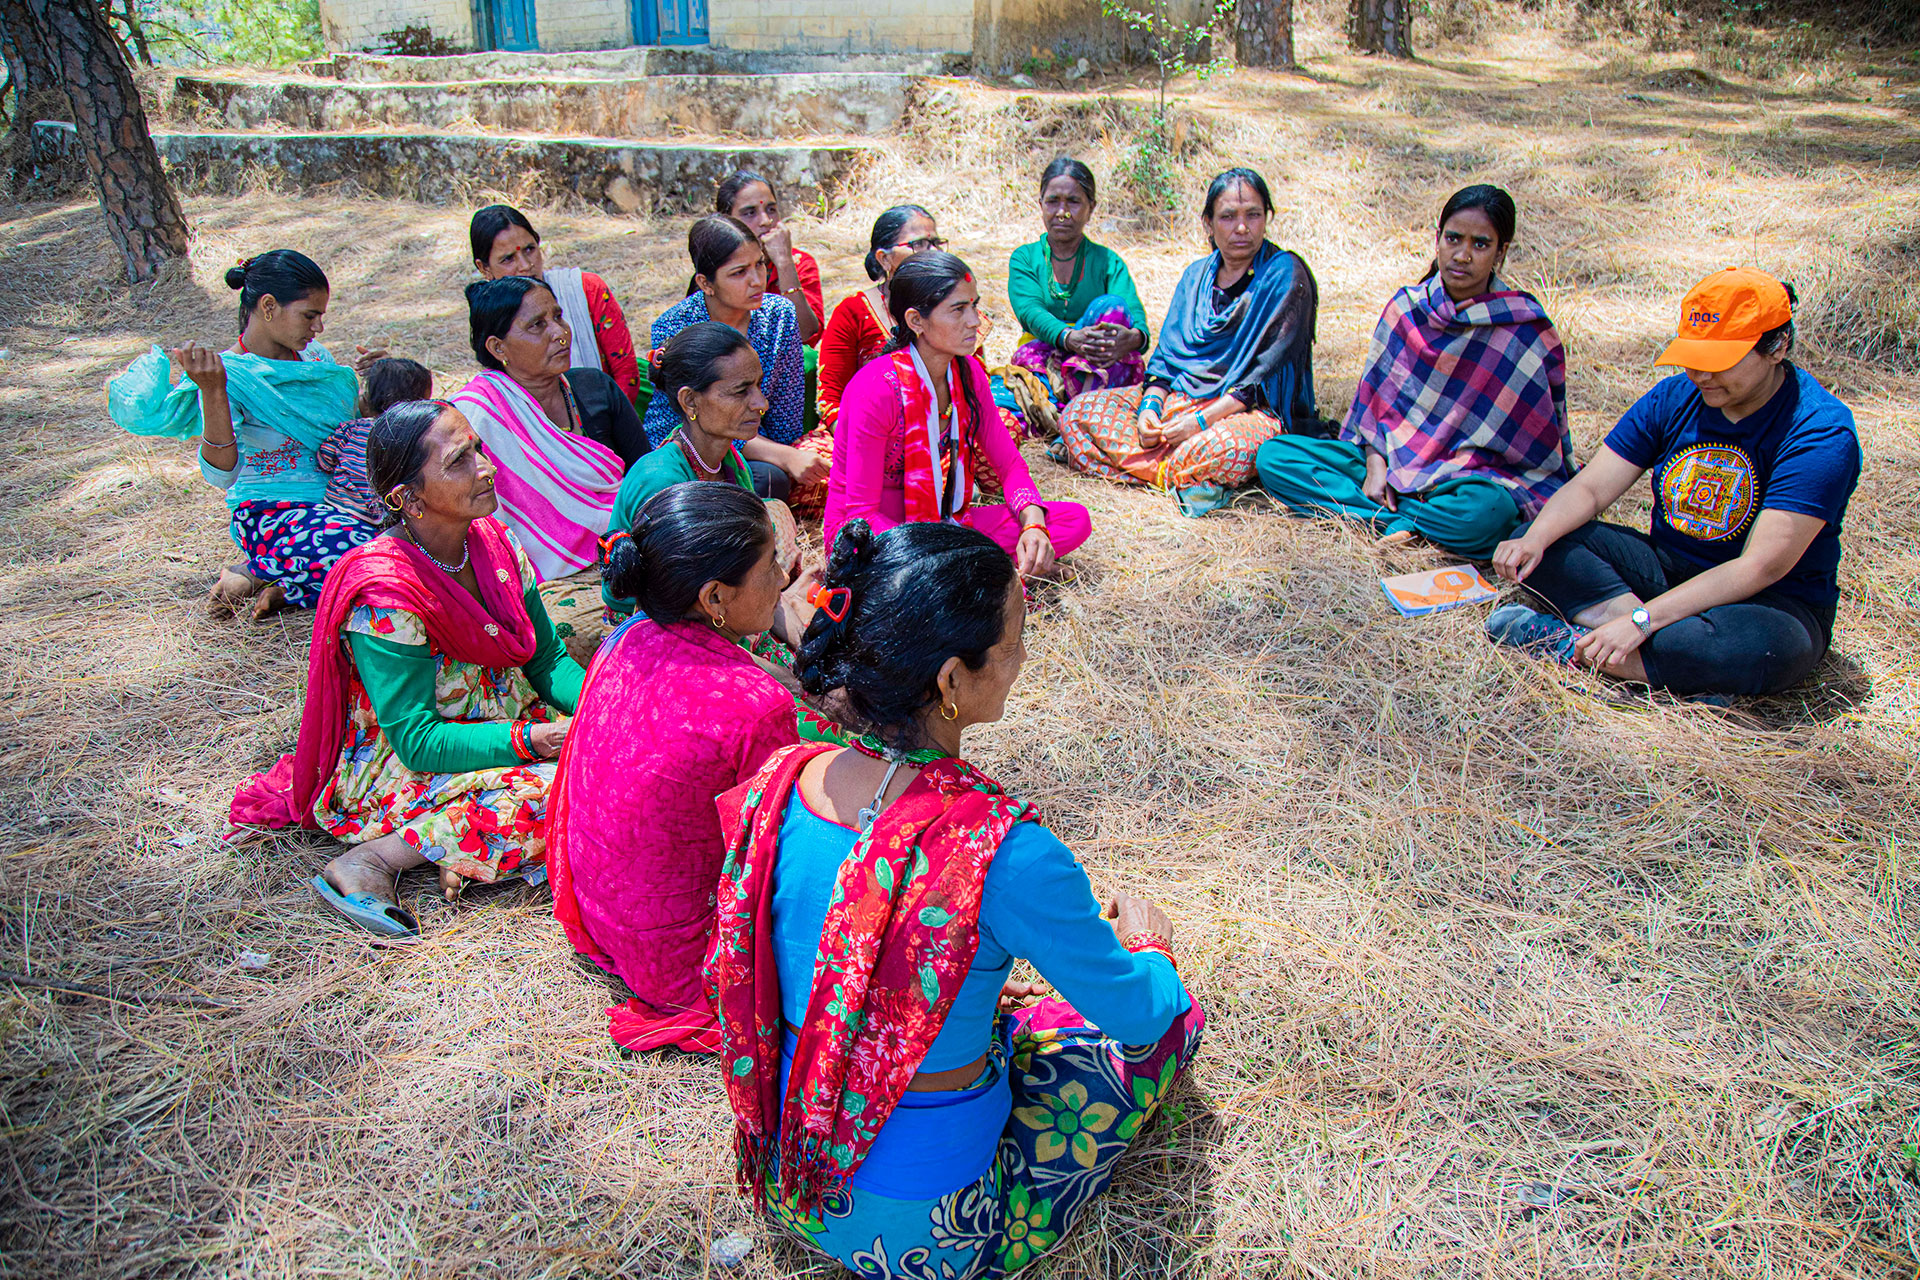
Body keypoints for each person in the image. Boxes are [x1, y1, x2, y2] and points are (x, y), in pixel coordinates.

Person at [705, 519, 1204, 1277]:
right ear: (949, 680)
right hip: (928, 1233)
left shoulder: (782, 783)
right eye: (1012, 642)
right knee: (1168, 1019)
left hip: (792, 1174)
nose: (1023, 658)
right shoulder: (1001, 852)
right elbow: (1138, 1011)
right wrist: (1152, 950)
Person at [228, 400, 585, 938]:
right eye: (460, 460)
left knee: (613, 763)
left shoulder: (498, 545)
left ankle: (456, 845)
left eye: (479, 450)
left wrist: (603, 709)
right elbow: (417, 740)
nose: (486, 468)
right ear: (407, 498)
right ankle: (375, 860)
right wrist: (536, 740)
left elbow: (546, 658)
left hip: (507, 722)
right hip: (406, 762)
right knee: (565, 791)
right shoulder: (386, 594)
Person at [1487, 268, 1861, 700]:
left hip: (1768, 601)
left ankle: (1576, 645)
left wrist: (1643, 621)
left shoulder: (1819, 432)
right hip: (1666, 571)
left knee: (1766, 649)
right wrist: (1536, 538)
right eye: (1693, 357)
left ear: (1776, 347)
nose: (1701, 374)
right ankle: (1662, 662)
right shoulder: (1673, 397)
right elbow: (1591, 489)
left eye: (1719, 361)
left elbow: (1761, 566)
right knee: (1538, 538)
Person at [549, 483, 816, 1052]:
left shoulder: (627, 637)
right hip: (680, 966)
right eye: (771, 565)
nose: (784, 575)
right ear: (715, 597)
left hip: (601, 917)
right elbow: (772, 866)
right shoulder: (753, 701)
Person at [1256, 184, 1572, 557]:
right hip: (1393, 461)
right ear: (1437, 240)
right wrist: (1376, 465)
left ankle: (1395, 519)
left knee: (1490, 514)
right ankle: (1411, 521)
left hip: (1469, 480)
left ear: (1500, 253)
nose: (1463, 255)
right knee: (1274, 457)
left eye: (1481, 244)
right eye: (1453, 239)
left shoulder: (1523, 328)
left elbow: (1531, 450)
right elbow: (1374, 411)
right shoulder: (1406, 310)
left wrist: (1443, 475)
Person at [106, 250, 379, 619]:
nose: (318, 329)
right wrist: (214, 392)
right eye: (310, 316)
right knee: (370, 553)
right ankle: (254, 572)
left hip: (346, 498)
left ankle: (287, 588)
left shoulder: (316, 360)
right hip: (273, 513)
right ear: (268, 306)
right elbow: (220, 474)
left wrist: (379, 382)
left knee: (422, 528)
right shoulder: (229, 375)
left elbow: (347, 432)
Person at [1058, 167, 1319, 515]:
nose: (1241, 228)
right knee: (1077, 414)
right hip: (1178, 405)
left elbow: (1260, 382)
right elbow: (1164, 364)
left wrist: (1199, 423)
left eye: (1253, 215)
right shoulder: (1196, 276)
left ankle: (1152, 467)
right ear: (1208, 224)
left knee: (1231, 449)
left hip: (1241, 412)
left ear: (1266, 218)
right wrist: (1149, 412)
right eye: (1228, 217)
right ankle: (1185, 476)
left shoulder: (1285, 275)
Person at [824, 251, 1091, 577]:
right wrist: (937, 549)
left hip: (945, 521)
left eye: (974, 305)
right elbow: (862, 515)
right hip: (878, 538)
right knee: (909, 575)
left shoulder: (969, 376)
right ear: (915, 321)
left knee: (1073, 520)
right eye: (958, 310)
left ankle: (973, 568)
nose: (975, 321)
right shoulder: (876, 389)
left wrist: (1034, 527)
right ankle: (979, 569)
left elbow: (1009, 466)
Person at [449, 275, 643, 582]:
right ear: (499, 348)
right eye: (538, 325)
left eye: (558, 317)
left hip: (628, 552)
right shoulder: (475, 418)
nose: (560, 333)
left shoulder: (595, 389)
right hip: (537, 582)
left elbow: (642, 479)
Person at [643, 215, 827, 509]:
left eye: (760, 264)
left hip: (756, 444)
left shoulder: (779, 316)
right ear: (706, 283)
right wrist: (783, 456)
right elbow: (697, 423)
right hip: (690, 446)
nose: (757, 280)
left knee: (780, 476)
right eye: (739, 272)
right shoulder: (676, 325)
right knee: (765, 478)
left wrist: (788, 451)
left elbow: (784, 420)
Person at [1007, 158, 1151, 408]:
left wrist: (1135, 337)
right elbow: (1030, 311)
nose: (1062, 212)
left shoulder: (1107, 261)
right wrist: (1069, 337)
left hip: (1099, 360)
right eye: (1053, 201)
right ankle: (1076, 409)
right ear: (1041, 205)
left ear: (1091, 208)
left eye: (1073, 202)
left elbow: (1133, 311)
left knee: (1113, 306)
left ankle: (1081, 408)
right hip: (1041, 360)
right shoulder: (1025, 258)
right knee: (1010, 407)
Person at [471, 203, 645, 407]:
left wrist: (606, 425)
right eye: (508, 259)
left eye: (530, 249)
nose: (526, 265)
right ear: (484, 268)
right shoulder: (490, 318)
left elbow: (626, 373)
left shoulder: (586, 290)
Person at [816, 204, 939, 434]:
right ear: (884, 259)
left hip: (941, 433)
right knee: (816, 463)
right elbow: (830, 398)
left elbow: (974, 383)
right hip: (863, 433)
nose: (935, 253)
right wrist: (861, 445)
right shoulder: (853, 311)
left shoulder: (955, 308)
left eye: (937, 243)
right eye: (918, 244)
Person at [317, 357, 434, 527]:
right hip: (385, 521)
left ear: (368, 399)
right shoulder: (413, 441)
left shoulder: (351, 430)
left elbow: (324, 460)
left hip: (338, 509)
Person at [717, 169, 824, 346]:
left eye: (771, 209)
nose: (766, 220)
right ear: (727, 220)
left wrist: (784, 264)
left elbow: (806, 335)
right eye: (750, 213)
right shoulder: (717, 266)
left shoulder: (799, 263)